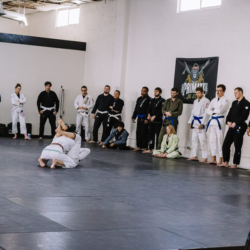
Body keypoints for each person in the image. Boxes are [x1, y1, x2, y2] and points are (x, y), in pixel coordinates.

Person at [218, 88, 250, 168]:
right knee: (226, 144)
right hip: (231, 127)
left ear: (240, 93)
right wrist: (228, 121)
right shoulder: (234, 103)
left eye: (236, 93)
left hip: (240, 126)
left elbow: (244, 116)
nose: (234, 94)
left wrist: (236, 122)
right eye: (234, 93)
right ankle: (226, 162)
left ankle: (235, 163)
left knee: (237, 145)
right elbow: (230, 113)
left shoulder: (246, 103)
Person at [206, 84, 230, 165]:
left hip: (220, 121)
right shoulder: (213, 100)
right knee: (212, 140)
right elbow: (208, 111)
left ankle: (220, 160)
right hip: (212, 121)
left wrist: (213, 109)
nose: (218, 92)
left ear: (224, 91)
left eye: (220, 91)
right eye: (217, 90)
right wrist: (214, 110)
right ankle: (213, 159)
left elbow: (220, 110)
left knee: (220, 140)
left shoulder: (226, 100)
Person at [187, 87, 210, 162]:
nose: (197, 94)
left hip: (201, 122)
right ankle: (195, 156)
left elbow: (207, 114)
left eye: (199, 93)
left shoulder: (206, 101)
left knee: (202, 140)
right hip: (195, 122)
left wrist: (203, 123)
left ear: (202, 92)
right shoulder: (195, 101)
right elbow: (193, 112)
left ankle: (205, 157)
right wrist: (190, 121)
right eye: (196, 93)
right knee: (194, 139)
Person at [143, 87, 165, 154]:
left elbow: (161, 110)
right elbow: (148, 108)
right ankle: (150, 149)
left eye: (157, 91)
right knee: (150, 135)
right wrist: (148, 115)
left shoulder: (162, 100)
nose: (155, 92)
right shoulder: (152, 100)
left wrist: (155, 115)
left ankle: (158, 149)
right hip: (151, 121)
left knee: (158, 135)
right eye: (155, 91)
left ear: (160, 93)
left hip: (158, 121)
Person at [132, 87, 151, 151]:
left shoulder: (149, 99)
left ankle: (145, 147)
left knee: (144, 132)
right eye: (142, 91)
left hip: (144, 117)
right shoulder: (139, 99)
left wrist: (147, 119)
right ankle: (139, 146)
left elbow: (149, 110)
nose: (143, 92)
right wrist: (134, 116)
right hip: (139, 117)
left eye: (144, 91)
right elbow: (136, 108)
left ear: (147, 92)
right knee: (138, 132)